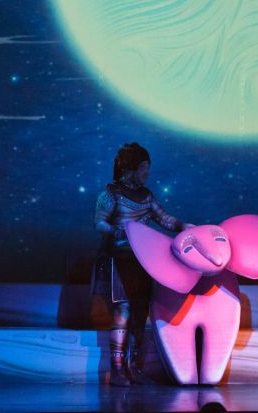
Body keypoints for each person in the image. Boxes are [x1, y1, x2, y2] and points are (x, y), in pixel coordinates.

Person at [93, 142, 189, 386]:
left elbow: (164, 219)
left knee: (140, 312)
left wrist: (183, 227)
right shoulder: (110, 194)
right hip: (119, 260)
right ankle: (117, 370)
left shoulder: (147, 197)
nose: (147, 172)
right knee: (123, 311)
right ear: (130, 168)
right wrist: (116, 231)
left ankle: (134, 367)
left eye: (147, 167)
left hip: (143, 263)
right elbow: (99, 222)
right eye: (144, 167)